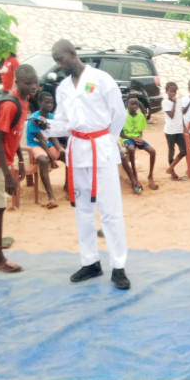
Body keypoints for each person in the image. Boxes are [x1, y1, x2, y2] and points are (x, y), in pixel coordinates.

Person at [43, 39, 131, 289]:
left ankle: (118, 266)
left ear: (72, 53)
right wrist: (47, 126)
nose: (58, 65)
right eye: (55, 61)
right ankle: (90, 262)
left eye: (60, 59)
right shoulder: (62, 88)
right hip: (78, 151)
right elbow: (63, 123)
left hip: (100, 148)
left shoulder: (101, 79)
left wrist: (107, 139)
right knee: (82, 209)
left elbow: (119, 114)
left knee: (110, 210)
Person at [0, 65, 38, 273]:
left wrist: (19, 161)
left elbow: (15, 134)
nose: (33, 86)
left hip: (5, 160)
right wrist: (7, 175)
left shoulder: (24, 101)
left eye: (35, 82)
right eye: (28, 83)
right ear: (17, 83)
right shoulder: (9, 105)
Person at [27, 91, 65, 208]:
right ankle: (51, 197)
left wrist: (60, 149)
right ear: (40, 103)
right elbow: (41, 140)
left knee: (67, 156)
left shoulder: (52, 117)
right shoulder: (34, 119)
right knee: (43, 161)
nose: (49, 105)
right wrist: (52, 159)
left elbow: (53, 136)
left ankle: (68, 188)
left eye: (51, 103)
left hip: (48, 145)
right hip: (35, 145)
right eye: (46, 102)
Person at [121, 94, 159, 192]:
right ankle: (135, 175)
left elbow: (141, 132)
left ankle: (150, 176)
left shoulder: (141, 116)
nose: (134, 106)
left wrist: (140, 139)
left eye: (136, 104)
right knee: (131, 149)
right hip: (127, 138)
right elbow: (121, 133)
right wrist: (132, 138)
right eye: (132, 104)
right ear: (127, 104)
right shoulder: (123, 115)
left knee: (152, 151)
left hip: (137, 139)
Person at [162, 81, 188, 180]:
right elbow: (171, 116)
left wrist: (184, 128)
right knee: (171, 150)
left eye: (175, 92)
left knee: (183, 151)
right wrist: (174, 103)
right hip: (170, 131)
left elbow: (180, 115)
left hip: (179, 130)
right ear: (166, 91)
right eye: (171, 91)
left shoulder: (179, 101)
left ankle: (170, 168)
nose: (173, 93)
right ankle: (173, 173)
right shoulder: (165, 102)